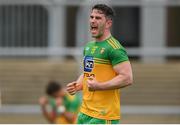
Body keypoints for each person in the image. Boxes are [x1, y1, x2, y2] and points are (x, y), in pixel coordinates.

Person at [66, 4, 133, 124]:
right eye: (91, 17)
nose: (93, 20)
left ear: (108, 23)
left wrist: (99, 86)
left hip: (103, 116)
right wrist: (79, 84)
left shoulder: (114, 48)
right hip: (84, 113)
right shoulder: (88, 47)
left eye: (98, 18)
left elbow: (127, 78)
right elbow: (88, 72)